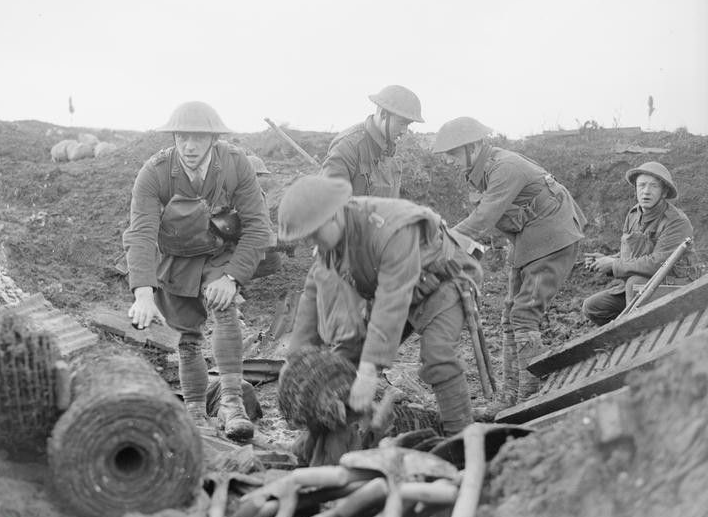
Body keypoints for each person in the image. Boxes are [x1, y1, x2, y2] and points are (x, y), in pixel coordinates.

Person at [278, 175, 483, 442]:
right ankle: (342, 437)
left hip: (442, 282)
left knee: (437, 354)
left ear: (335, 215)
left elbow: (392, 299)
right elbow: (312, 295)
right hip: (398, 294)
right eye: (307, 238)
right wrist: (295, 360)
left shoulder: (391, 229)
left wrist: (369, 370)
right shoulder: (331, 244)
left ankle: (462, 442)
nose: (312, 244)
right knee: (342, 362)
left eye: (314, 234)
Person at [122, 101, 271, 440]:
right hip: (174, 257)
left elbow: (259, 227)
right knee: (187, 336)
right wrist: (143, 293)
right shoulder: (155, 172)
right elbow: (142, 233)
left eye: (198, 139)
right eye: (182, 137)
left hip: (219, 251)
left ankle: (232, 403)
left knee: (224, 307)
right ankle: (194, 411)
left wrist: (232, 276)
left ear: (214, 139)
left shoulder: (236, 165)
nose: (189, 146)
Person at [432, 117, 586, 417]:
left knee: (523, 314)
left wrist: (440, 241)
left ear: (473, 146)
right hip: (527, 239)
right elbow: (486, 223)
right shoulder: (479, 172)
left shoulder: (505, 167)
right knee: (508, 317)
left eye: (453, 154)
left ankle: (532, 394)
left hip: (553, 237)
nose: (449, 162)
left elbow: (482, 219)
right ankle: (508, 398)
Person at [582, 161, 696, 325]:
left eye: (653, 186)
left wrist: (614, 265)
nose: (646, 191)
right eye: (641, 185)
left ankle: (638, 335)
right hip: (643, 285)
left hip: (676, 286)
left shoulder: (676, 222)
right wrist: (605, 260)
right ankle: (621, 338)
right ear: (635, 188)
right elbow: (634, 254)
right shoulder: (634, 214)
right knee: (592, 307)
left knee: (634, 284)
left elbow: (658, 264)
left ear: (664, 192)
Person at [321, 85, 424, 198]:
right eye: (401, 123)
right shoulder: (349, 146)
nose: (404, 131)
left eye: (408, 125)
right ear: (384, 114)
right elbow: (330, 203)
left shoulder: (392, 149)